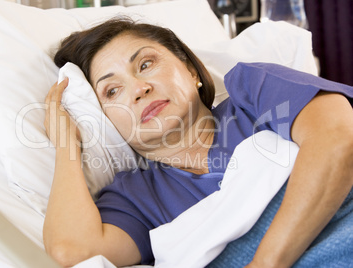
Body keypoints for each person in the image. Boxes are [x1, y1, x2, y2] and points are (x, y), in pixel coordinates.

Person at [43, 17, 353, 267]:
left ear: (191, 70)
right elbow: (74, 252)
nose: (138, 89)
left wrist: (267, 262)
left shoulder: (251, 92)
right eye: (113, 91)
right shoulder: (136, 197)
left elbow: (339, 139)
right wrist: (66, 147)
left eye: (146, 64)